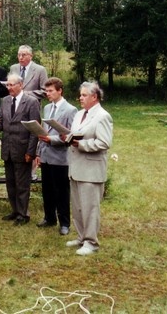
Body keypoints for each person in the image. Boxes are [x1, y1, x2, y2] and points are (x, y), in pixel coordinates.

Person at [63, 81, 113, 256]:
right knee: (77, 206)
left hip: (91, 170)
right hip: (76, 167)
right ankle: (81, 237)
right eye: (80, 95)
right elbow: (75, 133)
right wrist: (67, 137)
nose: (80, 98)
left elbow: (104, 142)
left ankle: (91, 242)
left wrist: (81, 144)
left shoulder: (102, 116)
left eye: (84, 95)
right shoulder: (79, 114)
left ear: (95, 97)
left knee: (90, 207)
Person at [0, 73, 40, 226]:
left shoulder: (31, 102)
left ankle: (23, 214)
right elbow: (0, 121)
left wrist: (30, 152)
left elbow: (35, 129)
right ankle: (15, 210)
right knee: (10, 183)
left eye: (12, 85)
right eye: (8, 85)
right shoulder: (4, 100)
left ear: (21, 85)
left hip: (23, 149)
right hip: (8, 149)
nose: (9, 88)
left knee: (22, 184)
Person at [36, 77, 77, 235]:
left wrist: (51, 139)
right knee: (47, 189)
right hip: (46, 155)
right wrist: (39, 152)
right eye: (46, 91)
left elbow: (70, 136)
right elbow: (43, 132)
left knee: (61, 191)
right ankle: (49, 217)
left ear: (60, 91)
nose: (48, 94)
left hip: (60, 157)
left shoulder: (70, 110)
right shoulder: (47, 108)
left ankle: (64, 222)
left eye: (51, 91)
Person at [10, 44, 48, 182]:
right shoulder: (13, 68)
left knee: (32, 138)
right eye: (19, 55)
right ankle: (16, 168)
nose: (20, 57)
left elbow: (44, 91)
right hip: (15, 108)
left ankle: (31, 171)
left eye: (24, 55)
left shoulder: (40, 70)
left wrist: (26, 94)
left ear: (30, 56)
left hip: (32, 108)